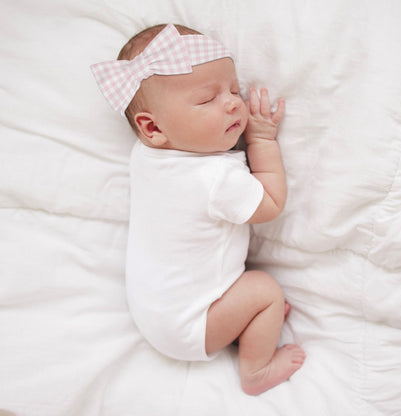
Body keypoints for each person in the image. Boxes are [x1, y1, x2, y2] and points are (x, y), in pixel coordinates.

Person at [91, 23, 305, 396]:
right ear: (153, 126)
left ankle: (244, 325)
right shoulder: (215, 177)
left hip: (156, 314)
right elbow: (270, 204)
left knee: (250, 295)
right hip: (192, 325)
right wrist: (261, 139)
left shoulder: (145, 157)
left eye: (234, 89)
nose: (233, 103)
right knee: (266, 290)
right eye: (208, 99)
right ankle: (256, 371)